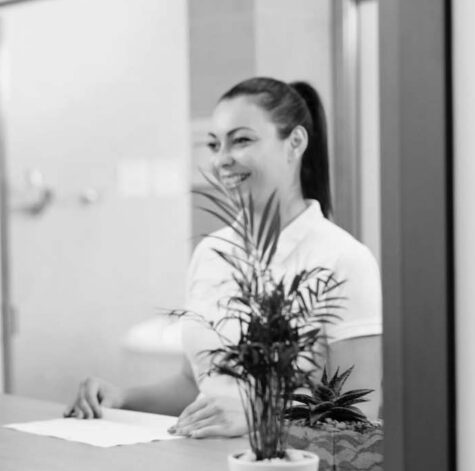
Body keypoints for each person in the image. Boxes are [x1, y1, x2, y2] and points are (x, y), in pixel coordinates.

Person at [66, 77, 382, 438]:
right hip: (196, 469)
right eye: (215, 145)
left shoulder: (345, 260)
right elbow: (197, 385)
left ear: (295, 143)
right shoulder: (211, 253)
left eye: (242, 140)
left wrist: (260, 415)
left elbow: (356, 417)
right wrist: (122, 397)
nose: (221, 160)